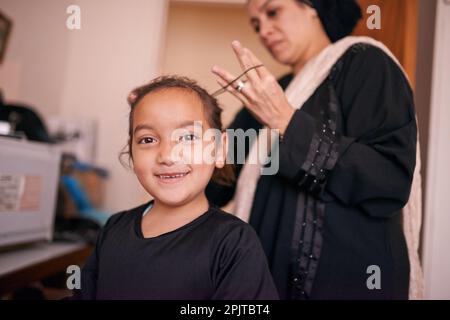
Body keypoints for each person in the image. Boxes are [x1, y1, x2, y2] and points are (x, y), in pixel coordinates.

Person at [206, 0, 423, 300]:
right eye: (256, 25)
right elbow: (219, 185)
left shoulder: (365, 62)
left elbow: (389, 180)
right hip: (267, 286)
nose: (264, 31)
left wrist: (286, 120)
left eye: (272, 12)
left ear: (312, 6)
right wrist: (163, 129)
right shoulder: (267, 93)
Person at [70, 76, 279, 300]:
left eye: (188, 137)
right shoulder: (114, 228)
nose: (168, 155)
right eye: (148, 140)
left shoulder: (234, 242)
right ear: (131, 153)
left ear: (220, 149)